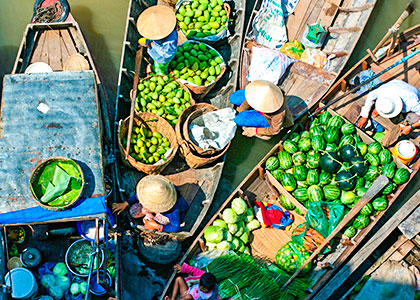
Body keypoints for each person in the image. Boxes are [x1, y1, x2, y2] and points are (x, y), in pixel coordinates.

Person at [112, 175, 189, 232]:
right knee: (134, 212)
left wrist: (158, 226)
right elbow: (140, 195)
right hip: (160, 205)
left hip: (166, 215)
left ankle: (154, 219)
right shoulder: (157, 188)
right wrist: (126, 203)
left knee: (148, 219)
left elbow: (175, 226)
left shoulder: (173, 210)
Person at [229, 80, 294, 140]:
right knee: (233, 98)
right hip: (262, 108)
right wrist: (240, 111)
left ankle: (256, 119)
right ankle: (246, 113)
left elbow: (275, 130)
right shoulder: (263, 90)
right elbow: (248, 100)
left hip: (267, 119)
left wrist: (256, 131)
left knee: (239, 119)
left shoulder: (278, 113)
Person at [136, 5, 178, 75]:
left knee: (160, 68)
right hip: (157, 53)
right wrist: (148, 41)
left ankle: (161, 74)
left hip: (162, 59)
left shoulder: (169, 41)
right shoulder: (169, 30)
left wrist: (151, 44)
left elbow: (166, 54)